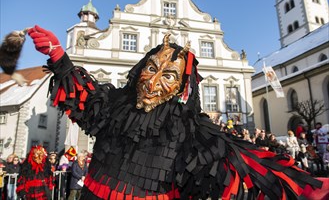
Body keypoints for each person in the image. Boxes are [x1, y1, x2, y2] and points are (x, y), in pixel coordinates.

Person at [27, 25, 327, 199]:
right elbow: (84, 98)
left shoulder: (189, 129)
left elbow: (245, 162)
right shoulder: (115, 105)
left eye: (169, 76)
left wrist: (310, 187)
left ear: (181, 88)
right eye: (152, 68)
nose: (154, 81)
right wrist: (58, 56)